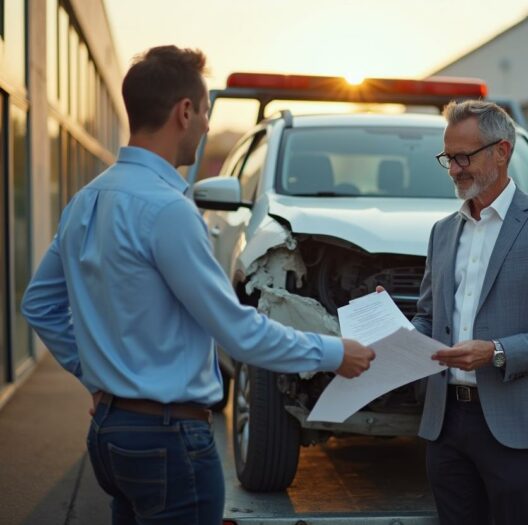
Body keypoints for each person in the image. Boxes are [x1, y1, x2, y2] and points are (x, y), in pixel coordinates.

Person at [21, 45, 375, 524]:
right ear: (184, 111)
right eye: (206, 111)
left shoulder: (86, 200)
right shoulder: (169, 210)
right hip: (168, 443)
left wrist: (101, 379)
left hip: (110, 434)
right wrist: (336, 353)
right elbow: (238, 332)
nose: (207, 124)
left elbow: (39, 305)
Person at [411, 100, 528, 524]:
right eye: (447, 158)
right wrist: (393, 327)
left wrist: (496, 351)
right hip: (445, 425)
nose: (454, 169)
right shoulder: (442, 232)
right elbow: (427, 318)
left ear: (502, 151)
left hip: (515, 429)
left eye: (463, 157)